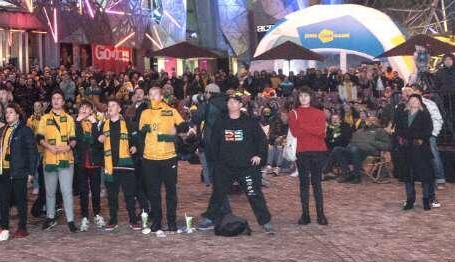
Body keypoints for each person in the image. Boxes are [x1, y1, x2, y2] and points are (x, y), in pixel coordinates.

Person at [198, 93, 274, 234]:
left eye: (235, 102)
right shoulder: (221, 122)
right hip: (225, 166)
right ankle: (210, 217)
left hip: (247, 167)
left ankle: (265, 221)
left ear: (240, 105)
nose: (231, 105)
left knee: (254, 193)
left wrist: (259, 155)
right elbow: (214, 142)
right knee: (218, 193)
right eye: (229, 102)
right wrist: (217, 160)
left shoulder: (249, 122)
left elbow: (261, 140)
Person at [137, 86, 187, 236]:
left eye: (155, 94)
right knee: (153, 192)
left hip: (168, 157)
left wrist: (175, 131)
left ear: (161, 96)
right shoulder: (145, 113)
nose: (152, 97)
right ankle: (157, 221)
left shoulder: (170, 110)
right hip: (150, 158)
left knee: (171, 191)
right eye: (150, 94)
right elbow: (141, 133)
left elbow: (184, 126)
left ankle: (172, 222)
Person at [97, 98, 146, 231]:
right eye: (109, 106)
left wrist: (135, 147)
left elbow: (136, 140)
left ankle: (133, 219)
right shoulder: (103, 125)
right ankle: (113, 219)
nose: (110, 108)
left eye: (113, 105)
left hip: (125, 165)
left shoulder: (128, 123)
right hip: (109, 166)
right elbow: (97, 145)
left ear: (119, 109)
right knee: (111, 195)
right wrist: (99, 140)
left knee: (129, 194)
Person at [0, 103, 36, 241]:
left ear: (17, 115)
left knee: (21, 200)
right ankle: (4, 227)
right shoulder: (4, 129)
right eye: (7, 112)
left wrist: (31, 172)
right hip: (4, 170)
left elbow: (32, 152)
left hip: (19, 171)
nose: (7, 114)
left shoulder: (25, 130)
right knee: (3, 200)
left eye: (10, 112)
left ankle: (22, 228)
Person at [36, 91, 77, 232]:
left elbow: (73, 139)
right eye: (53, 98)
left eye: (59, 98)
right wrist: (49, 147)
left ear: (63, 102)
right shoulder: (44, 118)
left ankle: (70, 220)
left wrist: (67, 146)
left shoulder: (69, 119)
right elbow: (39, 137)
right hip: (50, 159)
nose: (56, 100)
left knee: (66, 191)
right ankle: (50, 217)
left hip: (66, 159)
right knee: (50, 191)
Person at [287, 87, 329, 225]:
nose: (303, 98)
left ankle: (320, 215)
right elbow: (295, 132)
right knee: (304, 184)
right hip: (302, 151)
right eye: (301, 96)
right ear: (298, 98)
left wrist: (303, 126)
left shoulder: (319, 113)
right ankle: (305, 215)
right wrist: (312, 129)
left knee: (317, 184)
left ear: (311, 97)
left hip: (318, 150)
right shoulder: (293, 113)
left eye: (306, 95)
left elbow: (322, 133)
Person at [394, 94, 437, 210]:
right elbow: (398, 129)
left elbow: (429, 131)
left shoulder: (425, 115)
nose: (413, 102)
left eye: (416, 100)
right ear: (408, 102)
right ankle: (410, 200)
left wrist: (417, 138)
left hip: (420, 149)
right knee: (408, 176)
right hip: (407, 149)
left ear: (420, 102)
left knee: (425, 176)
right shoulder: (403, 114)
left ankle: (426, 200)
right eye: (411, 100)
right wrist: (401, 139)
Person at [332, 112, 392, 183]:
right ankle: (346, 173)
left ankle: (357, 176)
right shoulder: (360, 131)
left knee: (354, 149)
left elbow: (387, 145)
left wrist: (373, 142)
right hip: (354, 151)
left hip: (369, 152)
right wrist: (349, 146)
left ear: (377, 122)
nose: (370, 121)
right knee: (337, 149)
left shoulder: (380, 131)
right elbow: (352, 141)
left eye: (373, 120)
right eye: (369, 120)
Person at [73, 100, 104, 231]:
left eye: (87, 107)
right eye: (82, 107)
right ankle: (84, 216)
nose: (84, 110)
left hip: (95, 161)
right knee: (83, 191)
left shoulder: (98, 122)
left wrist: (94, 123)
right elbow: (75, 138)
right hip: (81, 162)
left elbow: (99, 141)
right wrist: (77, 122)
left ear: (92, 110)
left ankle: (97, 214)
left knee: (96, 190)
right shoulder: (75, 123)